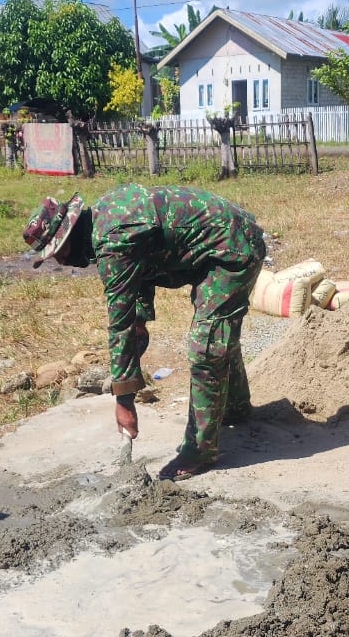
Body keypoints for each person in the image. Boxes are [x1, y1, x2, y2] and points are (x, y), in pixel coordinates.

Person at [23, 184, 266, 480]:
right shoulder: (104, 219)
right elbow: (144, 267)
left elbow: (120, 323)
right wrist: (140, 322)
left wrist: (124, 402)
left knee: (207, 344)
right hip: (219, 242)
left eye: (58, 251)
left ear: (70, 233)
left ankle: (200, 450)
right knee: (217, 336)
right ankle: (236, 408)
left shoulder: (112, 239)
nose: (60, 261)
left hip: (233, 249)